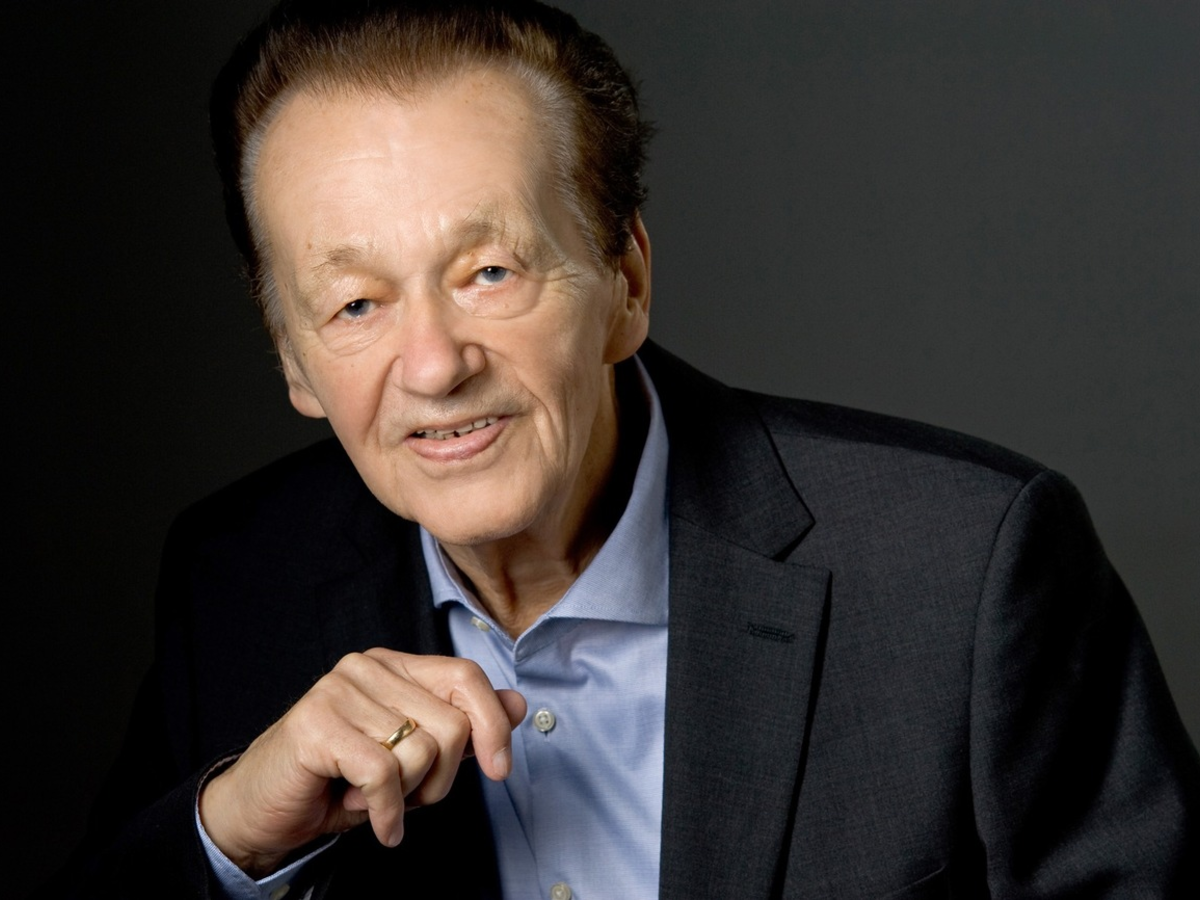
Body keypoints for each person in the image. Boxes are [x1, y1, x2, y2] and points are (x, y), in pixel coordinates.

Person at [46, 0, 1199, 897]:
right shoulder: (236, 585)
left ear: (626, 283)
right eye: (355, 305)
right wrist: (234, 836)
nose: (434, 365)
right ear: (293, 361)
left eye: (489, 272)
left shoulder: (965, 572)